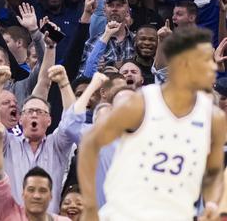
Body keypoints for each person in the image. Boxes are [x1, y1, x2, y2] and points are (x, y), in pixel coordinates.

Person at [78, 27, 227, 221]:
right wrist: (90, 206)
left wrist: (213, 203)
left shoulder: (214, 118)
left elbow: (214, 173)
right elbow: (90, 144)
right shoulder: (140, 104)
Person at [0, 114, 71, 221]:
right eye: (31, 190)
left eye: (43, 190)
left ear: (51, 196)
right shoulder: (9, 214)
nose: (36, 195)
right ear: (23, 194)